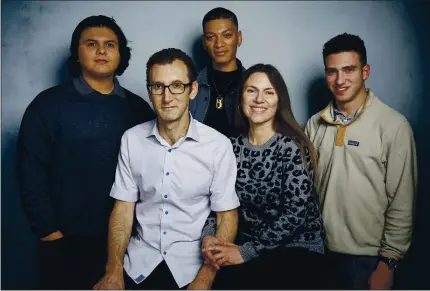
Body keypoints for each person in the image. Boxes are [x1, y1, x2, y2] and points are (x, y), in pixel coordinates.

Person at [16, 15, 155, 290]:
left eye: (110, 45)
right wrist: (48, 232)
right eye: (91, 43)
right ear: (77, 54)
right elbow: (30, 171)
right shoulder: (47, 105)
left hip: (127, 243)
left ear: (120, 54)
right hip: (64, 242)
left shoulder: (139, 109)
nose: (101, 51)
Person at [93, 48, 240, 290]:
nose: (167, 97)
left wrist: (206, 277)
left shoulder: (218, 146)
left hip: (192, 265)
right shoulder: (132, 139)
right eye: (158, 87)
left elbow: (227, 215)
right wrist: (113, 270)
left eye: (176, 86)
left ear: (192, 90)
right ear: (149, 91)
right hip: (139, 260)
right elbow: (123, 209)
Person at [305, 33, 417, 290]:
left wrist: (388, 263)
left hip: (368, 261)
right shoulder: (314, 124)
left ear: (365, 71)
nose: (340, 80)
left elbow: (402, 201)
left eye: (349, 70)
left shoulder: (393, 126)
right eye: (332, 71)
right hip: (319, 253)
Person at [201, 64, 325, 290]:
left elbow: (295, 213)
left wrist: (247, 251)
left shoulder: (292, 146)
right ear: (240, 99)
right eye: (251, 90)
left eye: (268, 92)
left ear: (279, 101)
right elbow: (216, 201)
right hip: (250, 244)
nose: (259, 99)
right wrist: (209, 238)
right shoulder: (230, 146)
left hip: (296, 247)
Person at [190, 7, 245, 137]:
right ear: (204, 42)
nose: (219, 44)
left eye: (226, 35)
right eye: (211, 37)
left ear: (239, 38)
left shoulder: (253, 86)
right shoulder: (190, 87)